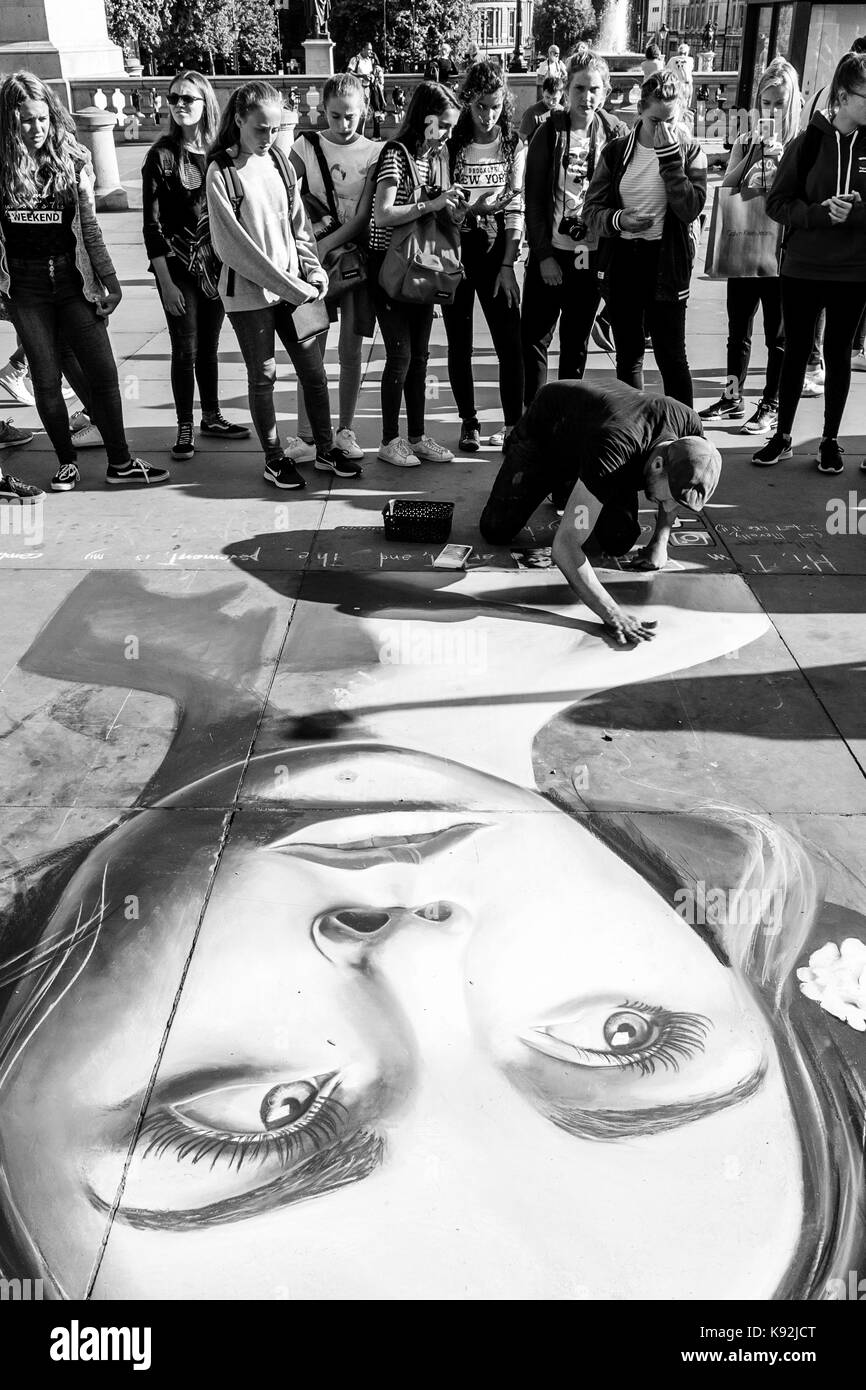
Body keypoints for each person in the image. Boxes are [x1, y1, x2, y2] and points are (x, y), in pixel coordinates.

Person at [3, 575, 855, 1300]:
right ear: (734, 965)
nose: (416, 952)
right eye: (625, 1039)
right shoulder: (713, 606)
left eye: (269, 1116)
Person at [0, 71, 167, 492]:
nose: (36, 129)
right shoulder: (1, 168)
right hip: (26, 288)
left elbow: (89, 229)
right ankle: (66, 462)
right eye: (24, 120)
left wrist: (110, 280)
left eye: (42, 119)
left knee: (104, 373)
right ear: (9, 122)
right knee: (45, 378)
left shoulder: (73, 160)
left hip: (74, 282)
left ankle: (121, 461)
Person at [206, 81, 361, 490]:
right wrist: (292, 286)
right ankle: (274, 458)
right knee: (264, 376)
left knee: (313, 372)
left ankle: (325, 448)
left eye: (275, 129)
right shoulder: (221, 171)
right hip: (250, 295)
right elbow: (234, 249)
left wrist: (313, 271)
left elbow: (299, 228)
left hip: (296, 289)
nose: (268, 138)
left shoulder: (278, 160)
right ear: (238, 120)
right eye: (260, 129)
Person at [479, 379, 721, 640]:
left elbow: (677, 486)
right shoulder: (615, 449)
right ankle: (564, 482)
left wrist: (660, 540)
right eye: (672, 497)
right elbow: (566, 546)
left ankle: (576, 485)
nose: (670, 506)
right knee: (497, 529)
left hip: (597, 434)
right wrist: (612, 613)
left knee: (619, 539)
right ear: (658, 465)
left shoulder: (690, 431)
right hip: (548, 432)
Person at [755, 51, 866, 472]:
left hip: (854, 270)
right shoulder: (808, 142)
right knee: (795, 349)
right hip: (803, 266)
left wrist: (855, 212)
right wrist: (819, 213)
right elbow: (777, 203)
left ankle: (830, 440)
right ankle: (781, 435)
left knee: (837, 354)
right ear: (843, 94)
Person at [142, 70, 250, 463]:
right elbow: (151, 226)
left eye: (188, 98)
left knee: (209, 346)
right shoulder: (162, 155)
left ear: (206, 103)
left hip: (216, 265)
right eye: (173, 99)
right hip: (177, 267)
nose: (180, 105)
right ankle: (185, 424)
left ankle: (212, 416)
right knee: (184, 347)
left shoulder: (223, 154)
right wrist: (165, 283)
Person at [582, 69, 707, 407]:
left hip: (666, 262)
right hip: (625, 258)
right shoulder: (618, 151)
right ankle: (634, 432)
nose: (664, 129)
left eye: (671, 120)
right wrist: (621, 220)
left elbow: (689, 209)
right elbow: (590, 212)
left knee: (671, 356)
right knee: (629, 355)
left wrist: (669, 160)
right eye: (656, 121)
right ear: (640, 110)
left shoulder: (690, 151)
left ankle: (688, 436)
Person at [699, 59, 801, 436]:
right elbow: (727, 186)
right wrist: (750, 155)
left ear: (792, 103)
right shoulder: (746, 139)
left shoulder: (800, 144)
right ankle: (732, 394)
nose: (771, 110)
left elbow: (801, 197)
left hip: (781, 250)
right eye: (766, 101)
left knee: (777, 333)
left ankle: (771, 403)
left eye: (779, 102)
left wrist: (778, 160)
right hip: (745, 242)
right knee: (737, 327)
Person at [521, 49, 626, 407]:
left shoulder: (615, 133)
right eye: (579, 88)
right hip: (551, 253)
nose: (587, 97)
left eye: (595, 89)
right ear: (567, 89)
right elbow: (533, 198)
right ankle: (532, 421)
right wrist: (543, 255)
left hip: (590, 255)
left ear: (607, 91)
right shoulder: (548, 131)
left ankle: (565, 419)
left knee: (575, 343)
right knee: (535, 339)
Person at [368, 80, 463, 468]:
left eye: (451, 126)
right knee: (401, 355)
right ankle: (390, 439)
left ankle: (418, 436)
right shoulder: (397, 153)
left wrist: (454, 209)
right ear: (425, 120)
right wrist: (431, 204)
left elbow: (434, 209)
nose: (447, 133)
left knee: (420, 357)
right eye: (443, 124)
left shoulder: (435, 156)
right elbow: (382, 214)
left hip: (421, 264)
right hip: (390, 264)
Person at [290, 72, 380, 463]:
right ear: (321, 111)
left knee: (350, 352)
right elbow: (284, 195)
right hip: (312, 267)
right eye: (335, 116)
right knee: (310, 348)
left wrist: (322, 246)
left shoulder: (374, 151)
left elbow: (364, 215)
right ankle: (306, 435)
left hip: (352, 263)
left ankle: (345, 430)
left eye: (352, 116)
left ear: (364, 111)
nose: (344, 125)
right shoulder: (305, 145)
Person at [443, 61, 525, 452]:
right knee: (459, 343)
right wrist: (462, 210)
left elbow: (517, 201)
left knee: (510, 342)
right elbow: (441, 199)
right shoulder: (454, 144)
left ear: (503, 101)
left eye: (494, 106)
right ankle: (469, 423)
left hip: (496, 247)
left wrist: (509, 263)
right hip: (458, 245)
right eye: (479, 106)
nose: (487, 115)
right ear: (466, 103)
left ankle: (513, 425)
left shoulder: (512, 143)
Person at [797, 36, 866, 399]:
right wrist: (817, 212)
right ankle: (814, 360)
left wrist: (858, 211)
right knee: (814, 330)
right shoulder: (823, 117)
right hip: (821, 255)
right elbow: (786, 196)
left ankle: (824, 358)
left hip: (851, 256)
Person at [517, 74, 564, 144]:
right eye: (547, 97)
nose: (551, 102)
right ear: (542, 93)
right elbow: (520, 141)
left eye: (554, 99)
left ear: (561, 95)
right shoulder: (532, 113)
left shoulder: (563, 112)